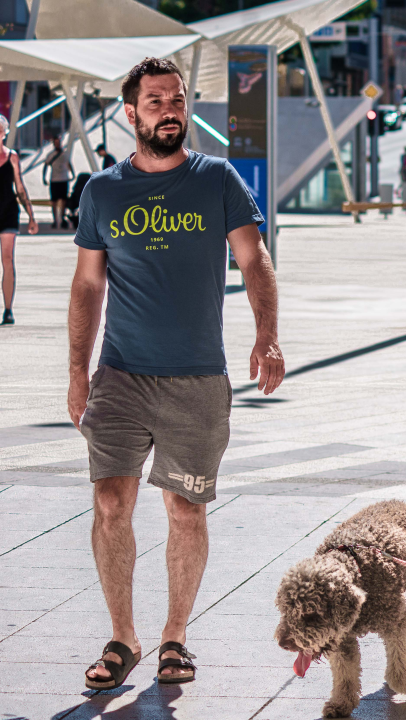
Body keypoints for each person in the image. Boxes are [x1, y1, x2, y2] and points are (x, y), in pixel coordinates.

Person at [70, 58, 284, 690]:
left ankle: (174, 638)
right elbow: (87, 285)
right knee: (111, 503)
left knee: (186, 508)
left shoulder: (217, 179)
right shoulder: (102, 191)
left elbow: (254, 258)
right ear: (131, 113)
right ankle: (123, 637)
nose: (170, 109)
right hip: (120, 375)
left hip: (197, 378)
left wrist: (267, 336)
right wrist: (77, 372)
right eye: (156, 99)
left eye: (178, 99)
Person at [0, 114, 39, 325]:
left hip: (7, 212)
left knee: (8, 260)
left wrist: (31, 216)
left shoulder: (12, 157)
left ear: (4, 133)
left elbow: (20, 187)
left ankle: (7, 310)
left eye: (0, 131)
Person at [43, 136, 74, 229]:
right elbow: (46, 165)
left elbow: (69, 163)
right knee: (54, 201)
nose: (57, 144)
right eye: (55, 143)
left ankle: (62, 218)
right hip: (54, 180)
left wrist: (72, 173)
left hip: (63, 179)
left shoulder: (65, 154)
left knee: (64, 200)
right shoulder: (51, 155)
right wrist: (44, 177)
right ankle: (55, 220)